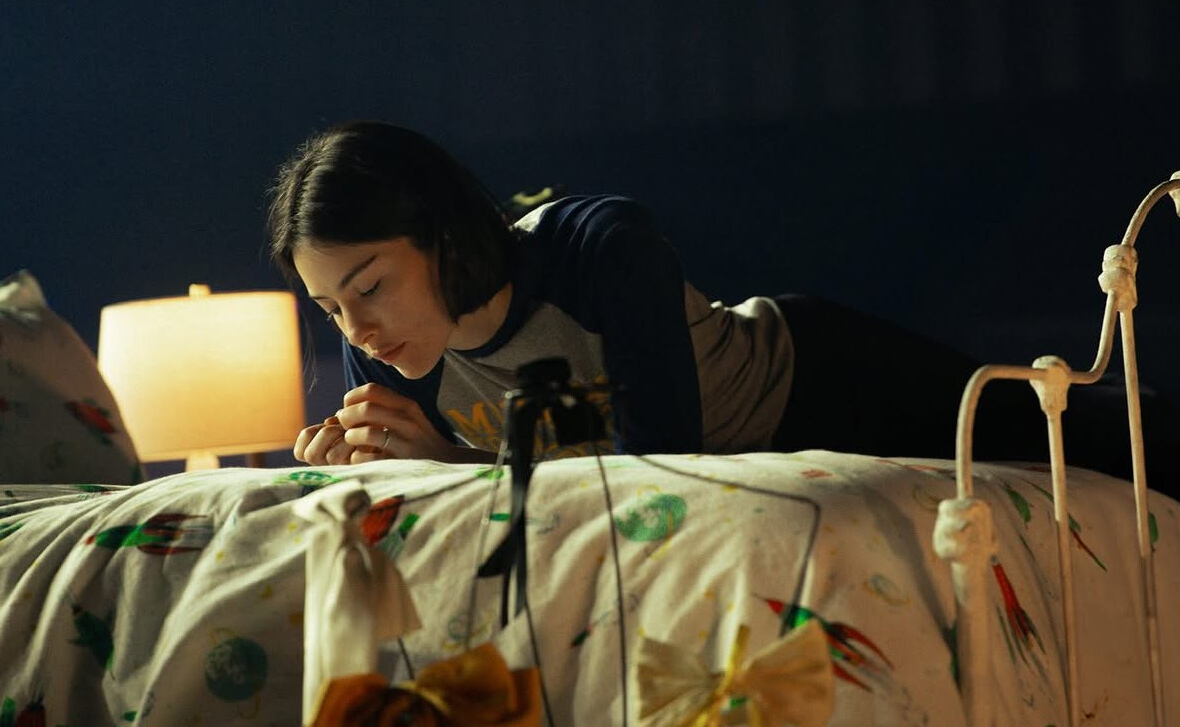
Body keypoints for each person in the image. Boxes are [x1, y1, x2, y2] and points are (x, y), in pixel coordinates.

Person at [266, 120, 1179, 497]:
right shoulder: (383, 348)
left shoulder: (596, 250)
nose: (357, 331)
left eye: (371, 287)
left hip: (815, 381)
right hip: (758, 442)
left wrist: (457, 461)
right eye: (329, 308)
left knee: (1103, 438)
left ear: (441, 235)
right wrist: (351, 469)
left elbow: (661, 456)